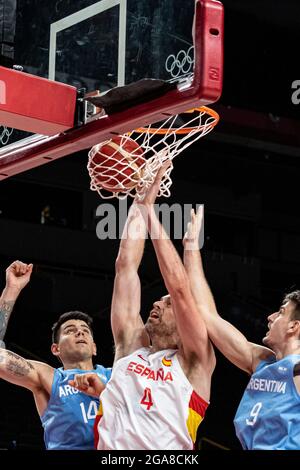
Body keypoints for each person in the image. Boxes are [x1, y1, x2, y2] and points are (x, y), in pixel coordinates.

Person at [72, 164, 216, 450]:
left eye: (166, 304)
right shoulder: (130, 346)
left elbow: (180, 289)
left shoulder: (195, 362)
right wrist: (139, 199)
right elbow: (125, 266)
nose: (157, 303)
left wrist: (151, 211)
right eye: (159, 300)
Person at [183, 205, 300, 450]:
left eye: (280, 313)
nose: (269, 317)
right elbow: (208, 315)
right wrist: (191, 250)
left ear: (294, 327)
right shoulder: (261, 362)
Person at [0, 260, 111, 450]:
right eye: (70, 330)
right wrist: (12, 289)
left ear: (94, 347)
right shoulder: (49, 377)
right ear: (55, 349)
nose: (80, 332)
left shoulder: (115, 375)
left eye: (85, 330)